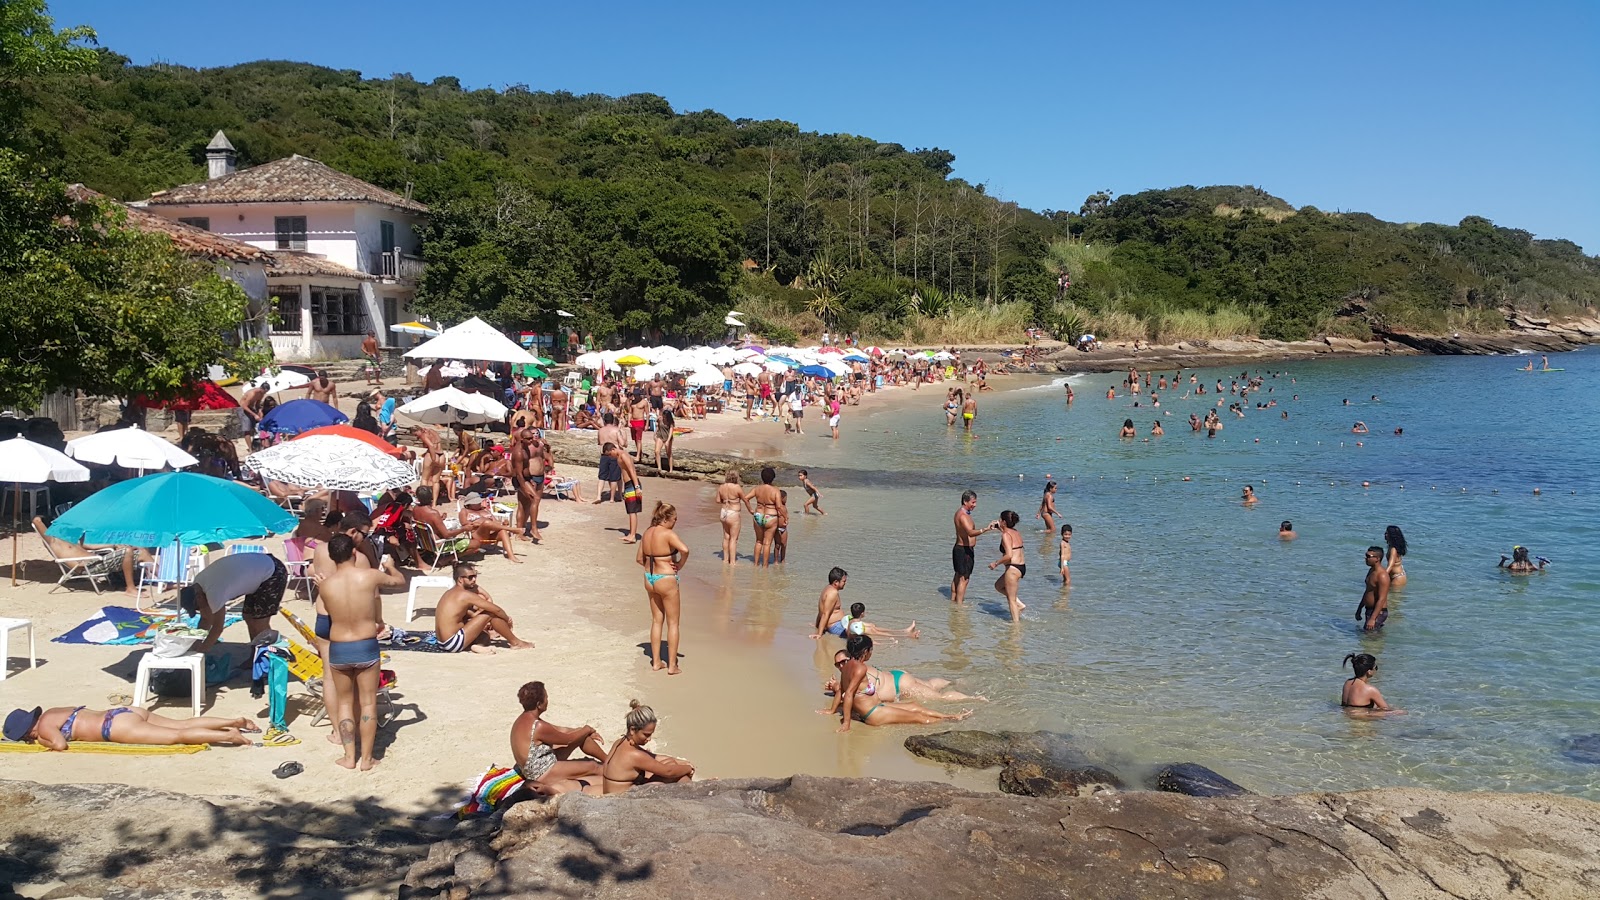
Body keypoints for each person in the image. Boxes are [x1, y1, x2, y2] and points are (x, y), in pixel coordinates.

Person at [318, 533, 406, 771]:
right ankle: (366, 759)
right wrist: (391, 566)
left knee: (345, 704)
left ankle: (349, 757)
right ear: (354, 553)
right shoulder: (369, 577)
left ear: (331, 557)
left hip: (339, 648)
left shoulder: (325, 586)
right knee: (368, 703)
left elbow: (324, 619)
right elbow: (399, 582)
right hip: (365, 645)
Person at [818, 635, 973, 732]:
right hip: (874, 714)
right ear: (865, 651)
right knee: (919, 718)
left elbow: (842, 690)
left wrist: (832, 710)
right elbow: (849, 693)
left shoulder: (847, 667)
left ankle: (950, 716)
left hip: (878, 706)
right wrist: (846, 723)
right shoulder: (859, 669)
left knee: (915, 706)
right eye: (871, 651)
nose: (871, 654)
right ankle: (947, 721)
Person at [3, 704, 257, 749]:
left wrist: (41, 741)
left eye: (27, 736)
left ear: (28, 730)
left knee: (178, 735)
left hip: (115, 728)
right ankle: (233, 721)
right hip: (122, 712)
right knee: (182, 723)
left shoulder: (45, 727)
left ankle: (231, 736)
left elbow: (60, 745)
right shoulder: (52, 712)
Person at [510, 681, 606, 797]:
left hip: (537, 765)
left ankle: (608, 760)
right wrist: (586, 729)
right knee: (592, 766)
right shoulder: (539, 727)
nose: (548, 701)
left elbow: (561, 730)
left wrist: (582, 731)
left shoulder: (525, 719)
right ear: (539, 704)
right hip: (543, 772)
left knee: (581, 737)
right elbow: (568, 740)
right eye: (546, 697)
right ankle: (618, 771)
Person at [182, 551, 289, 653]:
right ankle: (254, 657)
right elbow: (205, 619)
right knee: (248, 616)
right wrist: (196, 643)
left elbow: (217, 628)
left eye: (198, 608)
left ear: (199, 598)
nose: (201, 610)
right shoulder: (198, 582)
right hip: (259, 568)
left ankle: (270, 658)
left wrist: (201, 652)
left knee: (259, 623)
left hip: (273, 572)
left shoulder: (214, 592)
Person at [637, 501, 689, 674]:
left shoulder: (647, 533)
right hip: (666, 578)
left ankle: (656, 662)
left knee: (656, 620)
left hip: (649, 578)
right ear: (667, 518)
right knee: (673, 622)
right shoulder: (668, 533)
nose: (676, 522)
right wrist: (679, 564)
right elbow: (685, 550)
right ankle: (672, 665)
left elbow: (639, 558)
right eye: (675, 519)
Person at [435, 562, 534, 653]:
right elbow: (496, 609)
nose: (474, 579)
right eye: (470, 577)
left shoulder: (451, 593)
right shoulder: (464, 595)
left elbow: (486, 597)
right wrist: (507, 619)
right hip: (453, 643)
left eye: (475, 576)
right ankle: (516, 643)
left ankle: (477, 646)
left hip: (442, 643)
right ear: (460, 579)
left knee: (485, 636)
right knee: (491, 613)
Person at [601, 701, 694, 794]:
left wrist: (678, 761)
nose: (649, 739)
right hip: (621, 802)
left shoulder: (620, 742)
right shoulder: (635, 755)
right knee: (675, 773)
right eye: (646, 735)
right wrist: (689, 768)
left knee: (670, 762)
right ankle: (694, 797)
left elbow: (653, 756)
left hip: (614, 794)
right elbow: (668, 772)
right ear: (632, 729)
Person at [822, 649, 981, 703]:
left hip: (901, 686)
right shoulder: (858, 668)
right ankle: (954, 681)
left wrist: (836, 687)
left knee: (941, 698)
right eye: (838, 664)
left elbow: (848, 696)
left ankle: (974, 699)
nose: (841, 666)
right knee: (930, 685)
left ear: (851, 659)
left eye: (843, 661)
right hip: (898, 677)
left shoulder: (856, 672)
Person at [952, 490, 999, 605]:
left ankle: (953, 601)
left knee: (958, 576)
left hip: (960, 548)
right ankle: (959, 606)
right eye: (973, 502)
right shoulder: (963, 516)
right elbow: (970, 533)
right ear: (965, 501)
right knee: (964, 579)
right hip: (964, 550)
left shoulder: (960, 513)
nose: (975, 505)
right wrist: (986, 529)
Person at [988, 510, 1026, 621]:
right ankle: (1019, 604)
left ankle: (1015, 628)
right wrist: (997, 527)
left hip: (1013, 568)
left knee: (1011, 600)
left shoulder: (1005, 535)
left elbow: (1009, 555)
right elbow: (1009, 537)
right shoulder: (1015, 532)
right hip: (1021, 567)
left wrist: (995, 563)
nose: (999, 521)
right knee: (998, 586)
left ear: (1004, 522)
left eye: (1000, 519)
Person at [602, 442, 643, 543]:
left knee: (632, 511)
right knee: (630, 510)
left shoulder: (623, 455)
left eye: (609, 454)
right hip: (629, 485)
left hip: (632, 484)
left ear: (613, 450)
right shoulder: (620, 456)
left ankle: (632, 535)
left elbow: (632, 471)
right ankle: (631, 534)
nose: (610, 457)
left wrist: (637, 487)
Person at [744, 466, 784, 567]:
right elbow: (779, 506)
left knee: (758, 541)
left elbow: (745, 498)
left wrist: (750, 509)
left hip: (758, 515)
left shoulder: (757, 489)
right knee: (767, 543)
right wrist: (785, 517)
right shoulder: (775, 490)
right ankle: (765, 566)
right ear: (773, 478)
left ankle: (756, 564)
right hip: (771, 517)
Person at [714, 468, 748, 565]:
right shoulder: (737, 487)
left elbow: (717, 500)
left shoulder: (721, 487)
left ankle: (725, 559)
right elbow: (745, 500)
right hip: (733, 513)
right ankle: (732, 562)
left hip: (724, 511)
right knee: (734, 538)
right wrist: (750, 509)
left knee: (726, 537)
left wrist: (725, 501)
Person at [1357, 546, 1391, 632]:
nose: (1365, 558)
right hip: (1369, 610)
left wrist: (1373, 618)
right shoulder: (1371, 571)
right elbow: (1368, 591)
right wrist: (1360, 608)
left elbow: (1382, 598)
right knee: (1372, 636)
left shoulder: (1382, 576)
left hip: (1378, 612)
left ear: (1377, 559)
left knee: (1368, 637)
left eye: (1368, 556)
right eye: (1366, 555)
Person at [594, 413, 625, 502]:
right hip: (614, 455)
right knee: (614, 477)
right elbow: (622, 443)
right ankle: (612, 498)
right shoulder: (616, 430)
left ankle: (598, 496)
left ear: (604, 420)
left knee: (602, 477)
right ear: (613, 420)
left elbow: (599, 442)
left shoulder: (600, 430)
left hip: (604, 454)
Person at [653, 409, 676, 474]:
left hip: (667, 437)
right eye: (663, 416)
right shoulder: (660, 419)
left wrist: (668, 441)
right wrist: (655, 434)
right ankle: (659, 467)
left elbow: (671, 432)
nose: (664, 417)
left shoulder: (671, 422)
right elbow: (658, 427)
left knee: (669, 453)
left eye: (665, 416)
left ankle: (671, 469)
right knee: (657, 451)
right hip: (660, 435)